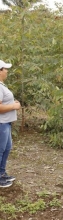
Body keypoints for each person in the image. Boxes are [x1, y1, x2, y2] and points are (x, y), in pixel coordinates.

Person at [0, 60, 21, 188]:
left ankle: (2, 173)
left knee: (7, 148)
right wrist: (14, 106)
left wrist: (13, 103)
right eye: (5, 69)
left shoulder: (2, 85)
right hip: (1, 123)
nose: (7, 71)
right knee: (0, 150)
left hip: (6, 123)